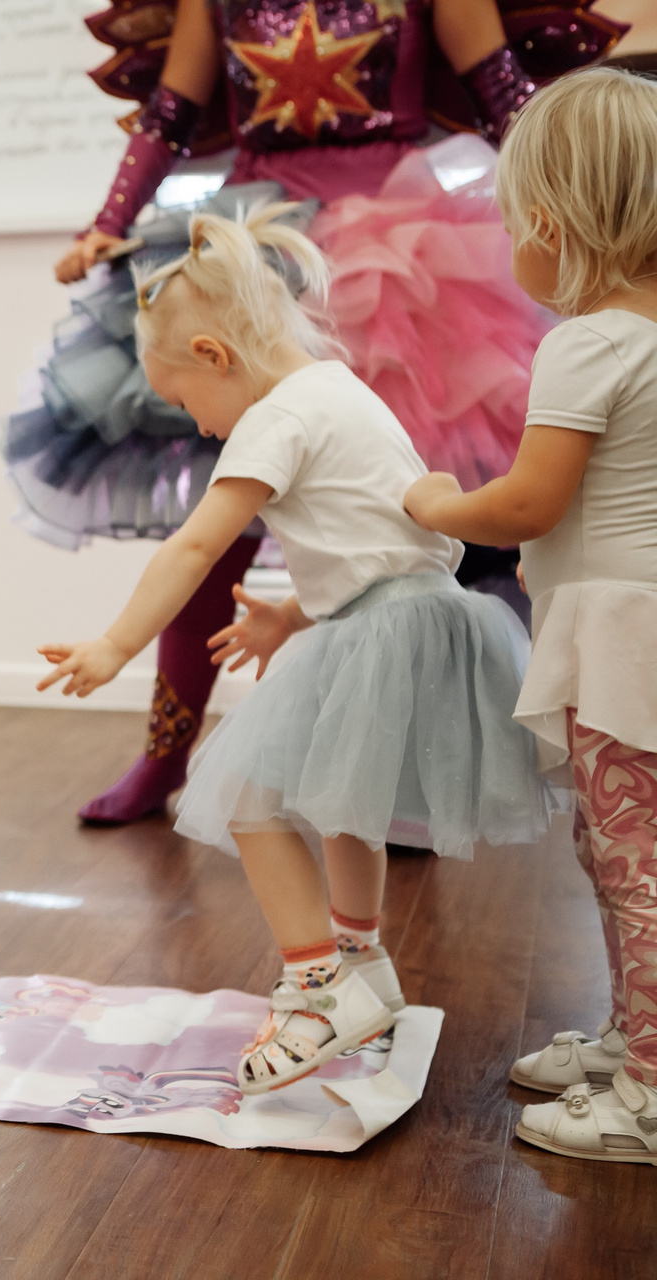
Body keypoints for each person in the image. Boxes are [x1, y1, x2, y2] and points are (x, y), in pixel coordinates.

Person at [10, 0, 625, 825]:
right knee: (212, 527)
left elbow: (506, 94)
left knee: (433, 534)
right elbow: (170, 110)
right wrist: (108, 224)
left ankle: (431, 776)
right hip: (254, 246)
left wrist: (588, 216)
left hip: (405, 256)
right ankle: (165, 756)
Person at [40, 205, 552, 1093]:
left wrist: (118, 643)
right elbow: (381, 548)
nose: (199, 427)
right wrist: (292, 616)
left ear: (214, 356)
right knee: (346, 806)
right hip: (422, 615)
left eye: (184, 404)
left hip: (386, 625)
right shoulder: (339, 389)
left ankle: (317, 992)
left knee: (249, 798)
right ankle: (362, 964)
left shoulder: (272, 419)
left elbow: (195, 547)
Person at [405, 68, 657, 1163]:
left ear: (550, 225)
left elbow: (526, 505)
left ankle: (648, 1091)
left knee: (634, 864)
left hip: (621, 643)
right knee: (625, 853)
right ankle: (635, 1039)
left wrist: (434, 503)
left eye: (513, 227)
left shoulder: (587, 343)